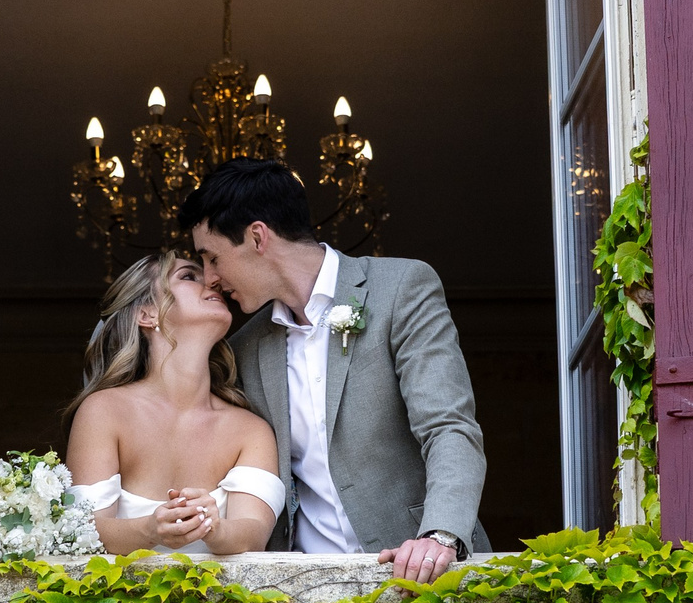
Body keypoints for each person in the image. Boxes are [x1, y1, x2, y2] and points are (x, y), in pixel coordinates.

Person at [181, 158, 487, 581]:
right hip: (301, 589)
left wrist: (440, 536)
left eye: (212, 258)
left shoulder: (401, 288)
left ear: (256, 237)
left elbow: (449, 427)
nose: (210, 278)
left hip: (421, 574)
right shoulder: (243, 347)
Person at [64, 251, 288, 555]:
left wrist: (215, 527)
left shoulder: (251, 430)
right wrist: (151, 529)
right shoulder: (103, 412)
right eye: (188, 276)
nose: (212, 283)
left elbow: (255, 534)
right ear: (147, 314)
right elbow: (82, 530)